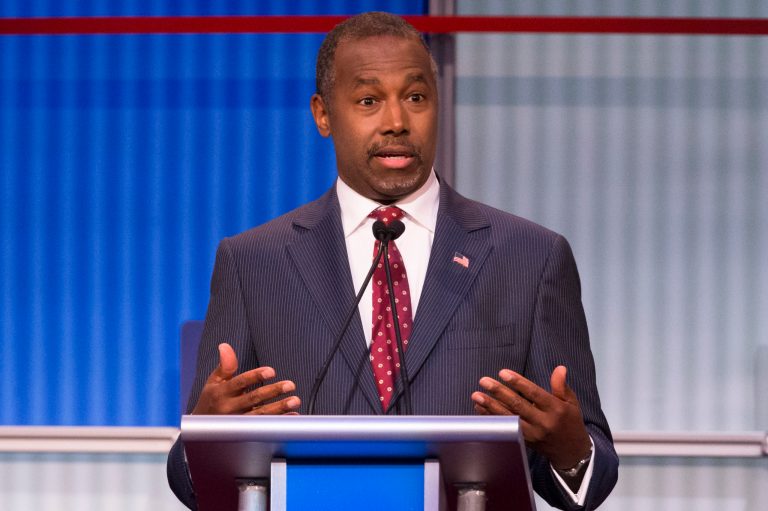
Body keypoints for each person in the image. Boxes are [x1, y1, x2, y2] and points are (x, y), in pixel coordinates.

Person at [167, 11, 618, 510]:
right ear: (323, 114)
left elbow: (591, 474)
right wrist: (203, 438)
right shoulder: (253, 263)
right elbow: (191, 481)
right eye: (368, 100)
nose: (397, 122)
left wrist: (571, 449)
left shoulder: (530, 257)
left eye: (416, 97)